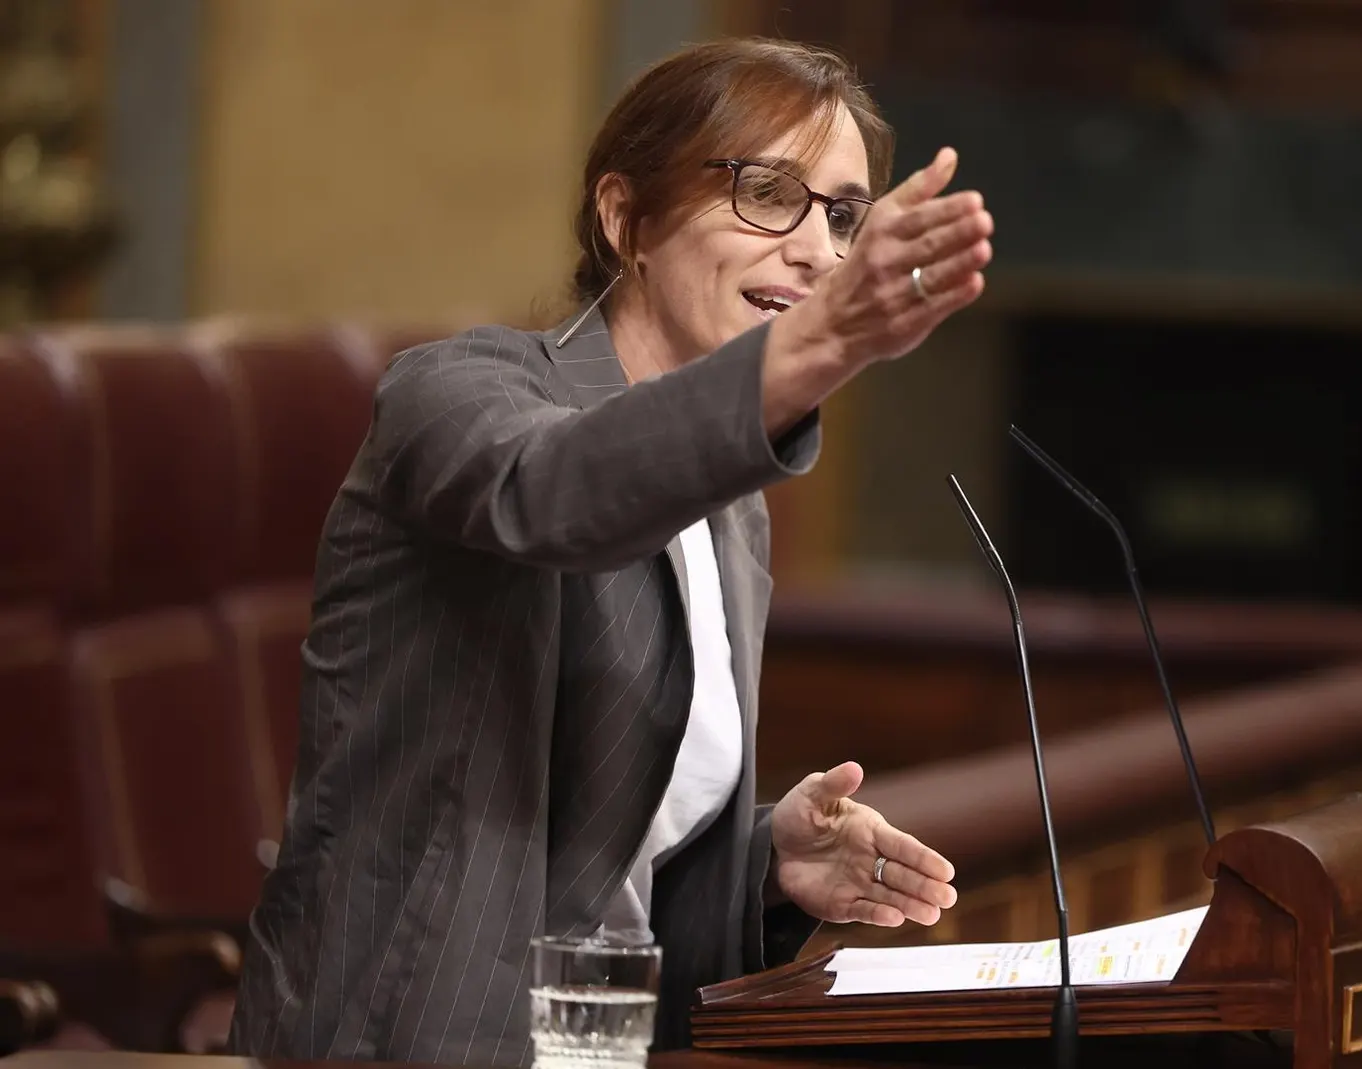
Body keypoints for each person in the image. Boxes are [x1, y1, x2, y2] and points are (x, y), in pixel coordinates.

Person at [226, 36, 993, 1066]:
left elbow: (609, 856)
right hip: (404, 1036)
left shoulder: (732, 507)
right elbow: (558, 495)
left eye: (843, 215)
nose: (817, 250)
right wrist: (822, 347)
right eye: (769, 194)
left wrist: (767, 863)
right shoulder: (451, 393)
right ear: (625, 217)